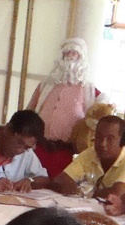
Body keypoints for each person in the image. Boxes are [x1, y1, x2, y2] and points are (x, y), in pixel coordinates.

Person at [26, 38, 105, 179]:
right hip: (38, 150)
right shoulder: (45, 86)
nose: (70, 57)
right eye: (67, 53)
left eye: (75, 54)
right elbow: (28, 113)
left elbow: (103, 110)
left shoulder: (88, 90)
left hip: (65, 154)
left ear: (82, 58)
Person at [51, 115, 125, 199]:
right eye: (98, 137)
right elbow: (60, 179)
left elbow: (119, 193)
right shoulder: (91, 153)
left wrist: (86, 191)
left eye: (110, 139)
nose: (102, 144)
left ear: (123, 140)